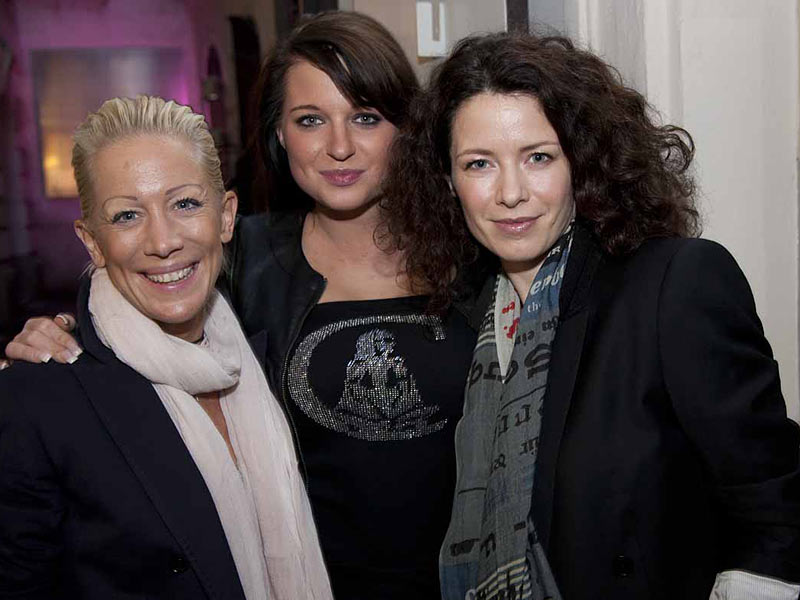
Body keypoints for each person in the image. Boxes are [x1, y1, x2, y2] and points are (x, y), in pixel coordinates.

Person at [3, 12, 480, 598]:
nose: (339, 146)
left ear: (406, 128)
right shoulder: (242, 260)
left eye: (365, 116)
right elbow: (139, 301)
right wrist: (59, 335)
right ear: (280, 134)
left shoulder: (472, 257)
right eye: (310, 120)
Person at [384, 32, 800, 600]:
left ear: (581, 161)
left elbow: (773, 505)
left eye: (538, 157)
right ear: (448, 182)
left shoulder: (673, 285)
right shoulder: (459, 318)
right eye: (479, 164)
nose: (511, 192)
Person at [0, 96, 331, 599]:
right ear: (92, 242)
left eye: (185, 204)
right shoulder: (37, 400)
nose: (162, 241)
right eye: (127, 215)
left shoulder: (275, 354)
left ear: (226, 216)